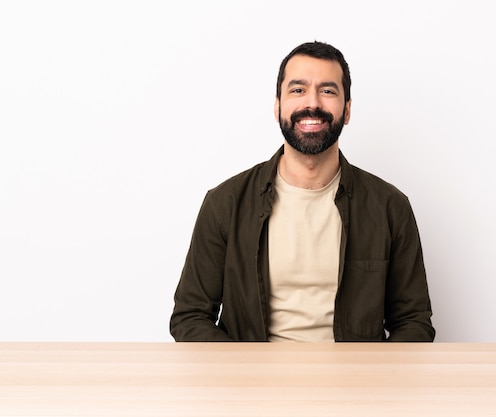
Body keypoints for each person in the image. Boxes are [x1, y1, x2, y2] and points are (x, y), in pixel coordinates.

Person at [170, 41, 435, 342]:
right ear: (277, 106)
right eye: (297, 90)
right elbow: (190, 317)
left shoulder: (389, 207)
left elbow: (414, 322)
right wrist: (243, 377)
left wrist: (371, 381)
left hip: (355, 386)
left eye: (328, 90)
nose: (313, 104)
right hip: (254, 385)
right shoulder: (225, 203)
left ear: (346, 110)